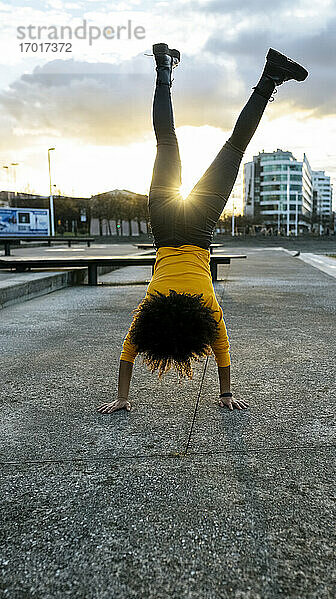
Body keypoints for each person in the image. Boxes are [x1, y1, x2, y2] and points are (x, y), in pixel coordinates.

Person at [97, 43, 308, 415]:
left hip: (197, 231)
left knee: (235, 147)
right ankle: (164, 67)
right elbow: (126, 355)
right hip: (162, 225)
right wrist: (122, 396)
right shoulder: (149, 309)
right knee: (166, 140)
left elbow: (222, 350)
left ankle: (270, 77)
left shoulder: (206, 306)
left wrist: (225, 394)